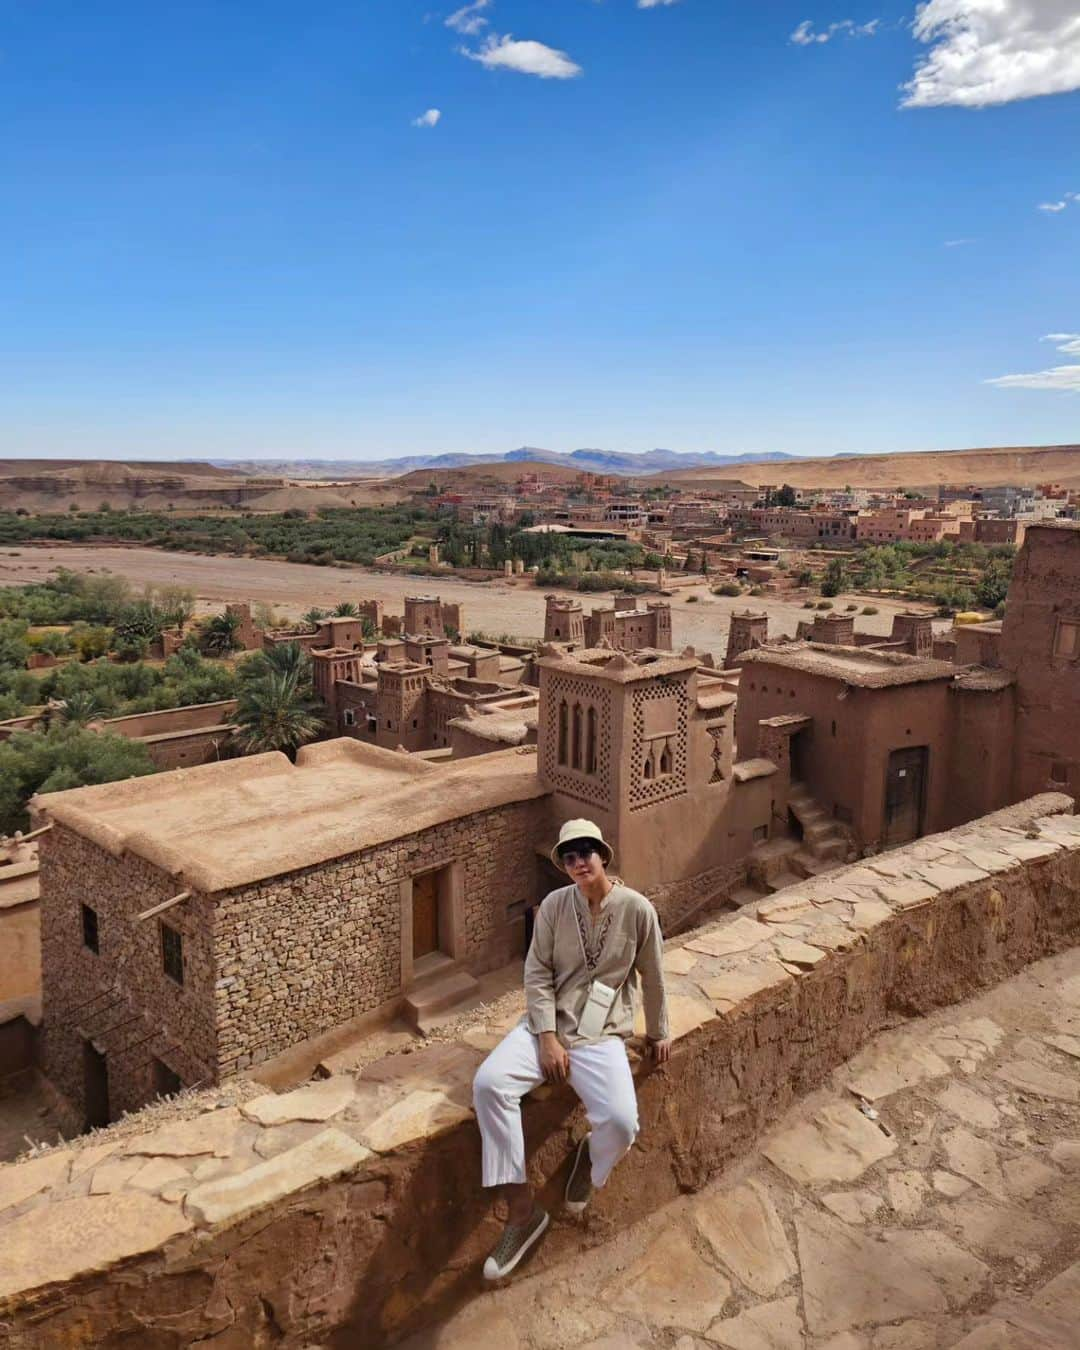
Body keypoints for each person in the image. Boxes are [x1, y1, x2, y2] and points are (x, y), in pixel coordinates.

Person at [472, 817, 670, 1281]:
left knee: (621, 1122)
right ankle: (522, 1213)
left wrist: (659, 1031)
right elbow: (537, 972)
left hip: (601, 1035)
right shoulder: (555, 908)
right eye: (569, 856)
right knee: (489, 1085)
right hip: (548, 1026)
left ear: (603, 856)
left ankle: (589, 1158)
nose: (578, 862)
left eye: (586, 852)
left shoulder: (637, 910)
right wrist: (545, 1036)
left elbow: (654, 976)